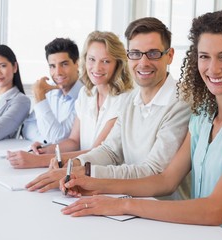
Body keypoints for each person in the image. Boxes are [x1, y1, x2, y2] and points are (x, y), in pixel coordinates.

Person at [60, 10, 222, 240]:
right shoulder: (203, 118)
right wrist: (93, 185)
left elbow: (214, 210)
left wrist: (124, 205)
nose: (213, 68)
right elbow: (166, 180)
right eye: (204, 56)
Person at [56, 17, 192, 199]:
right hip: (129, 207)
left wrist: (89, 174)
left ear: (170, 55)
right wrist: (75, 165)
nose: (143, 62)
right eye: (135, 53)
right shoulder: (131, 100)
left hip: (163, 214)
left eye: (153, 53)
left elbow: (153, 171)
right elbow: (110, 151)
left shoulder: (181, 102)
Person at [7, 31, 134, 173]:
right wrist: (46, 150)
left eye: (106, 61)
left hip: (105, 176)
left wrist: (38, 160)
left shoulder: (124, 100)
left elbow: (97, 153)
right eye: (92, 59)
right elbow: (74, 141)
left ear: (118, 64)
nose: (97, 68)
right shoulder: (86, 94)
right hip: (80, 172)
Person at [21, 38, 83, 143]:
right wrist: (45, 141)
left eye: (64, 64)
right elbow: (27, 127)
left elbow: (59, 140)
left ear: (77, 63)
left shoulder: (85, 96)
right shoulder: (50, 91)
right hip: (46, 153)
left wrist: (40, 98)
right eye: (52, 66)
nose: (58, 72)